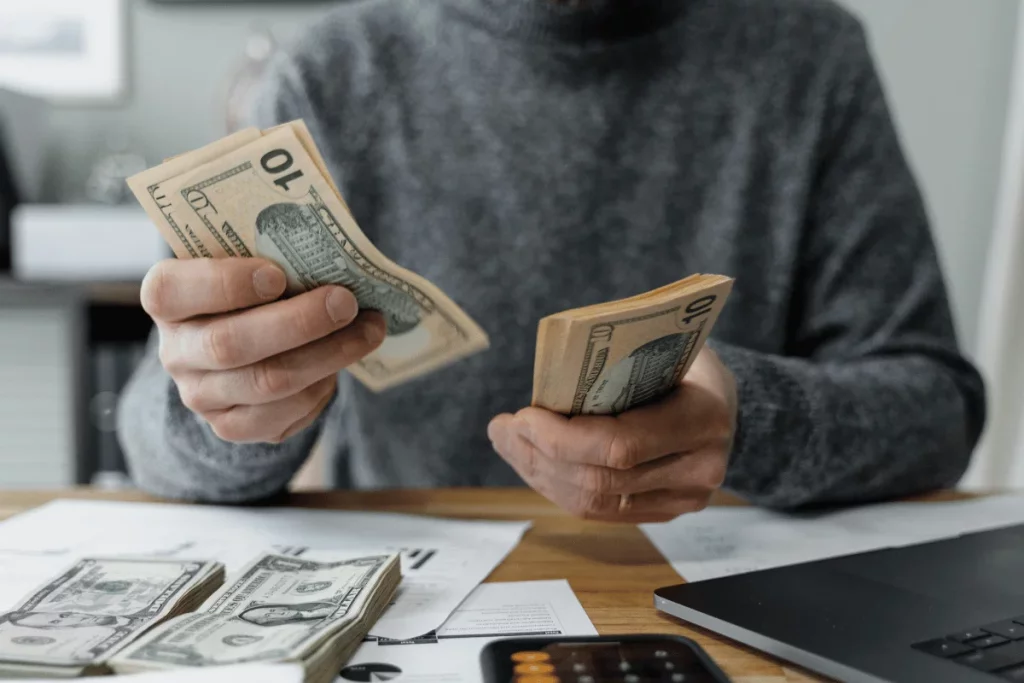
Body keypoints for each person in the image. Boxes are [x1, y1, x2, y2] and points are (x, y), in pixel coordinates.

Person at [118, 0, 986, 521]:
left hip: (726, 605)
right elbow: (154, 438)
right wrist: (229, 409)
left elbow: (938, 411)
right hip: (416, 607)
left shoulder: (812, 59)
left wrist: (750, 421)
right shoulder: (326, 76)